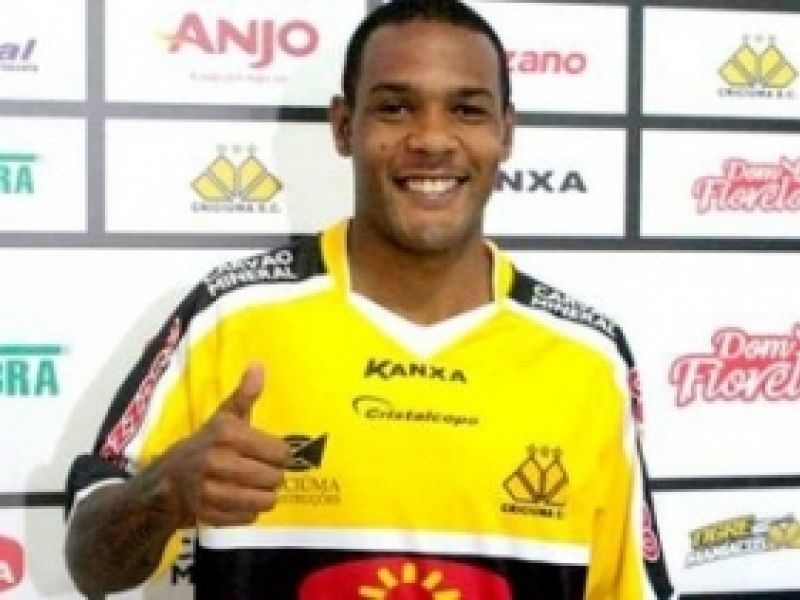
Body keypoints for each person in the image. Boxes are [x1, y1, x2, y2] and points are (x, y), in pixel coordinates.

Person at [64, 1, 674, 598]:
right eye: (395, 107)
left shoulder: (588, 355)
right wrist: (167, 491)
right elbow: (90, 564)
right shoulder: (230, 316)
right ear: (342, 127)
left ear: (505, 134)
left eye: (466, 109)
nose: (431, 139)